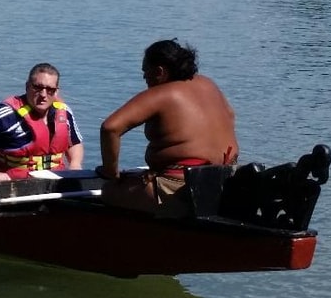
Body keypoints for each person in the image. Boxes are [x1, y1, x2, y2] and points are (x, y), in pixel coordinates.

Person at [99, 40, 239, 217]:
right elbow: (231, 115)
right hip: (226, 181)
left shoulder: (162, 93)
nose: (144, 79)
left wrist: (111, 172)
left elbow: (110, 128)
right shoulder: (208, 84)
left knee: (109, 191)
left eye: (145, 73)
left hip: (183, 189)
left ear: (159, 72)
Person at [0, 63, 85, 181]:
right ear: (27, 86)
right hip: (13, 183)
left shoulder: (64, 112)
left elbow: (74, 142)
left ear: (56, 91)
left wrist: (75, 164)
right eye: (37, 88)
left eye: (50, 90)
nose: (43, 94)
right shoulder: (7, 114)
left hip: (55, 181)